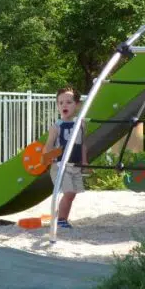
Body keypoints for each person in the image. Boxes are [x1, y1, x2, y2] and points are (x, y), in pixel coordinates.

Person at [44, 86, 89, 228]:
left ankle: (63, 219)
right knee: (69, 192)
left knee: (72, 194)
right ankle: (61, 220)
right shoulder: (56, 127)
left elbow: (82, 144)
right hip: (59, 166)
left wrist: (84, 161)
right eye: (61, 102)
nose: (64, 105)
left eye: (69, 102)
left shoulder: (81, 124)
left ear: (77, 104)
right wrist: (47, 157)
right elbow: (49, 145)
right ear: (57, 105)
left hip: (75, 165)